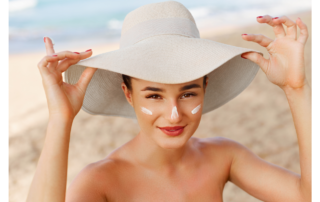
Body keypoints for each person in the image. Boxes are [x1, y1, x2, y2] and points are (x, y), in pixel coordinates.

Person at [26, 1, 311, 202]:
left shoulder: (223, 157)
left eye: (188, 93)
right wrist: (60, 119)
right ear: (128, 93)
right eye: (154, 95)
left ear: (205, 86)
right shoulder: (101, 181)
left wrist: (295, 88)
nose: (174, 115)